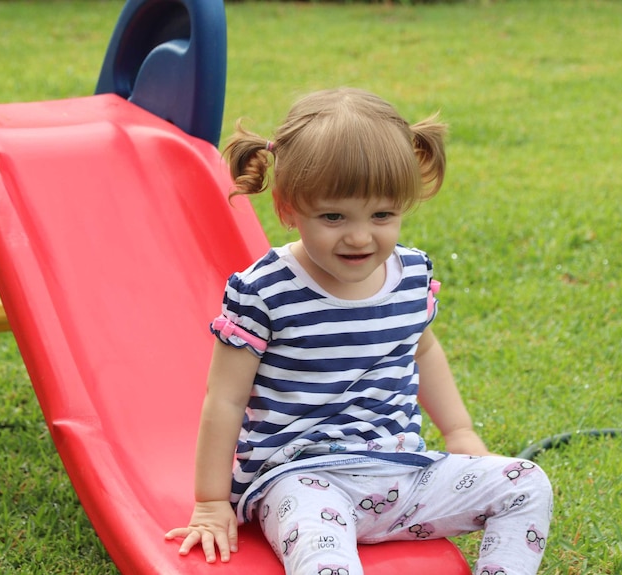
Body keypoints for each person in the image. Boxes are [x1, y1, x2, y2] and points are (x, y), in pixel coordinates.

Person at [165, 87, 552, 575]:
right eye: (333, 216)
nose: (360, 236)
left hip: (403, 472)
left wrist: (459, 431)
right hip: (300, 480)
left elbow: (423, 351)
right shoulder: (265, 292)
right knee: (324, 555)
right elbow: (223, 400)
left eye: (382, 215)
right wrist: (210, 501)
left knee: (527, 483)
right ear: (287, 208)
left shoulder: (411, 276)